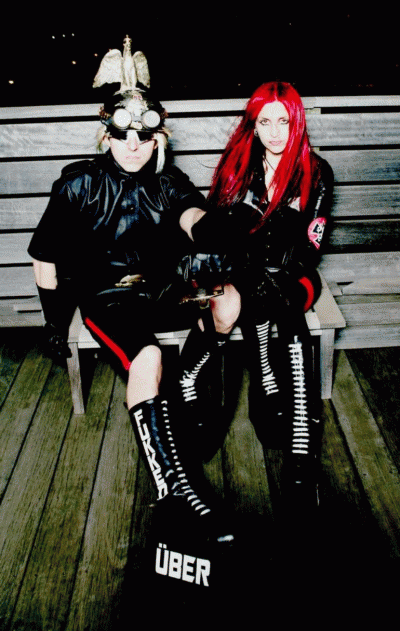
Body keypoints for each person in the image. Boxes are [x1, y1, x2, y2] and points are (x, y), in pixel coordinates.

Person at [27, 37, 239, 544]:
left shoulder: (167, 180)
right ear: (107, 135)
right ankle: (172, 489)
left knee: (229, 298)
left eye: (144, 137)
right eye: (123, 136)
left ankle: (191, 375)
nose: (134, 146)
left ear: (157, 137)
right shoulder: (78, 185)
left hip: (161, 289)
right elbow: (44, 257)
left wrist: (211, 230)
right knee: (146, 358)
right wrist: (55, 321)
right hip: (109, 296)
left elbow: (190, 213)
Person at [179, 81, 333, 510]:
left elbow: (312, 246)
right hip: (244, 274)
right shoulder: (238, 168)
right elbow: (217, 237)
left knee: (287, 311)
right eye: (265, 122)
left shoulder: (316, 171)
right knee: (248, 298)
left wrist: (281, 273)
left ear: (297, 122)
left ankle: (302, 451)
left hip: (294, 275)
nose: (275, 132)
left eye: (284, 121)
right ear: (254, 124)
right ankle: (259, 382)